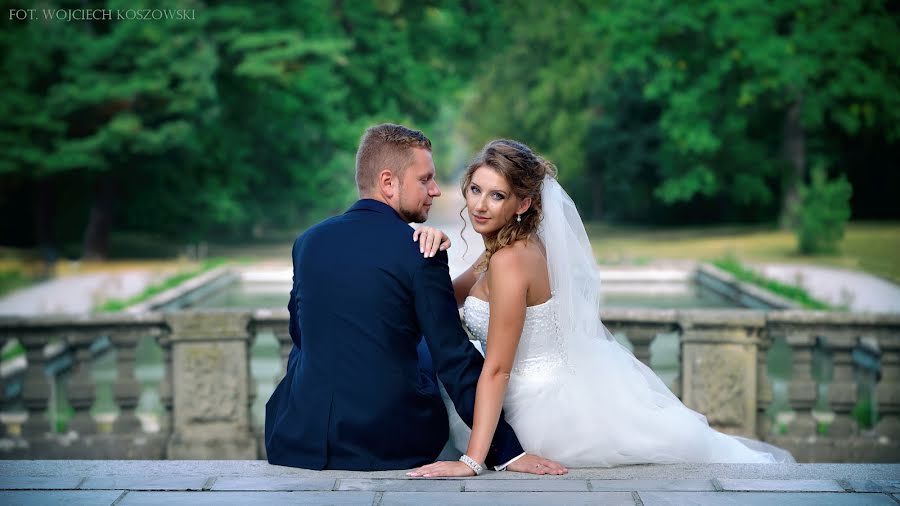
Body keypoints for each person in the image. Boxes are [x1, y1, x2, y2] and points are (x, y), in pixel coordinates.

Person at [408, 139, 793, 477]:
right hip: (552, 381)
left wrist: (473, 461)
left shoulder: (510, 260)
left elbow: (497, 368)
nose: (479, 205)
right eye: (475, 189)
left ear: (523, 202)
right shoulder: (503, 246)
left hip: (537, 407)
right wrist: (430, 240)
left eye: (497, 195)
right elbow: (448, 297)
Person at [264, 124, 565, 475]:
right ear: (389, 183)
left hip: (297, 436)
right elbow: (453, 359)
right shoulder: (420, 251)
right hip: (386, 441)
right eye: (425, 180)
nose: (435, 191)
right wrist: (507, 452)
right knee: (430, 348)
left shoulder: (308, 242)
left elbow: (299, 334)